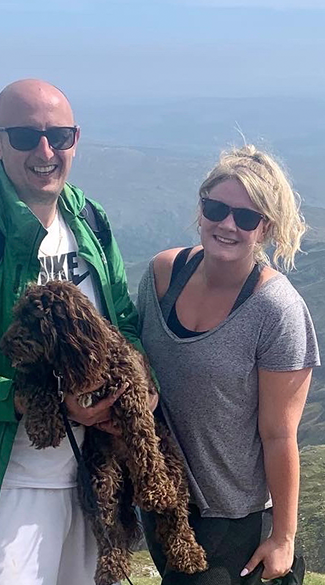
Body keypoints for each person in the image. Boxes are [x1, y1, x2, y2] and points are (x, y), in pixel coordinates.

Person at [138, 145, 319, 584]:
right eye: (215, 208)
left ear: (266, 228)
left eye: (246, 217)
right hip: (164, 501)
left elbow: (279, 434)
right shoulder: (164, 274)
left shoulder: (276, 309)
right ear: (200, 209)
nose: (226, 224)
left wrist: (284, 538)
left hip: (233, 518)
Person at [0, 79, 146, 584]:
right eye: (24, 136)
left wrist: (136, 389)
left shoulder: (88, 218)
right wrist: (46, 404)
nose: (45, 151)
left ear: (75, 140)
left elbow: (122, 321)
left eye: (58, 136)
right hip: (15, 483)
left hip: (92, 477)